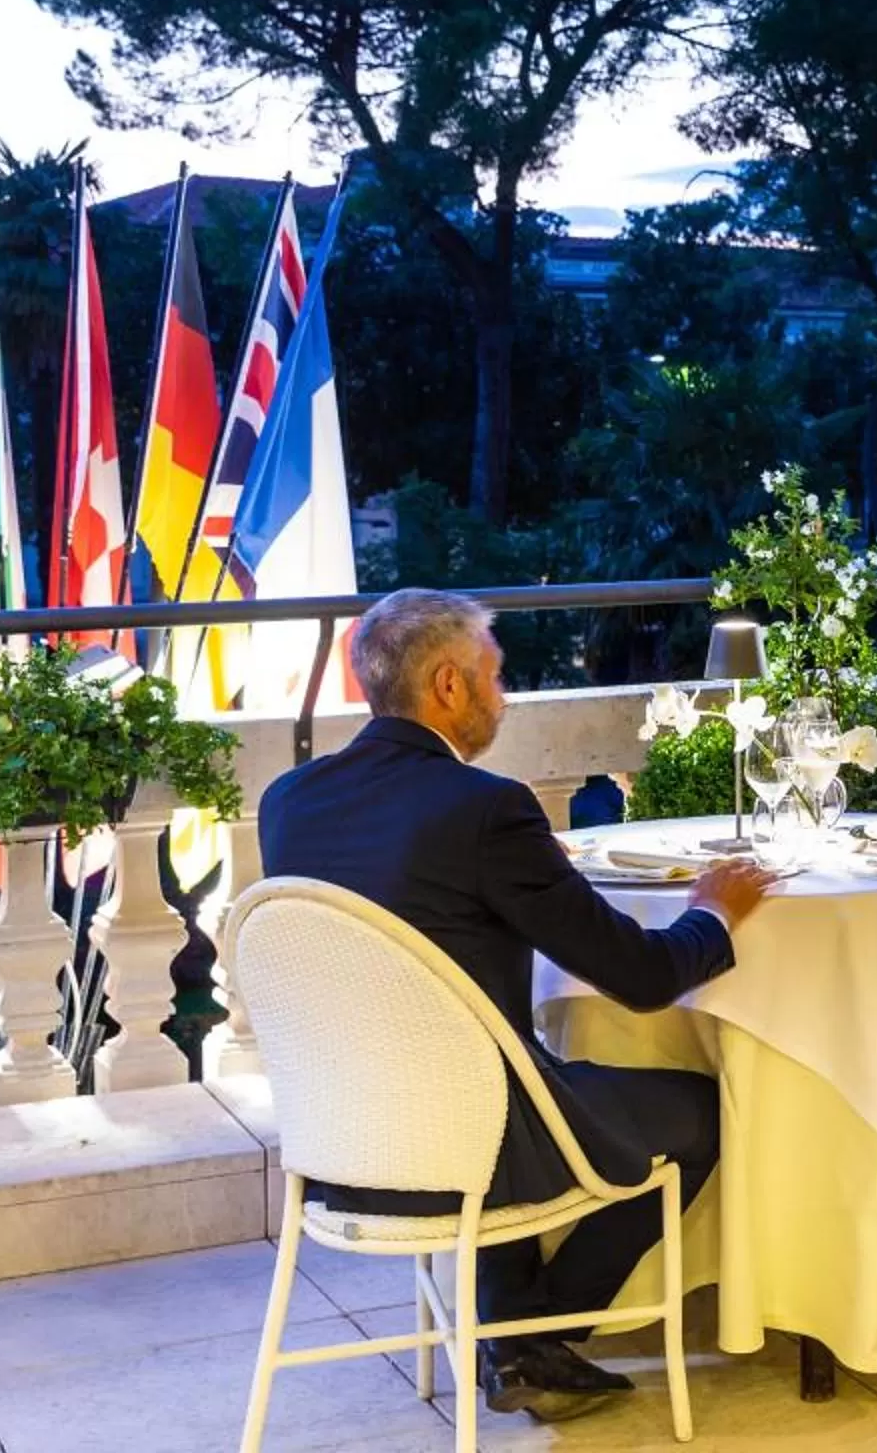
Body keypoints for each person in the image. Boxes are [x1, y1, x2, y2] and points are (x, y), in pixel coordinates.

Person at [257, 588, 777, 1420]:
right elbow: (642, 978)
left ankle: (519, 1339)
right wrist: (714, 910)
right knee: (704, 1110)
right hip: (472, 1145)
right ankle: (529, 1333)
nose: (504, 697)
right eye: (497, 678)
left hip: (343, 1146)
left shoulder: (291, 799)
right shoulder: (486, 809)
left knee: (509, 1079)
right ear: (450, 687)